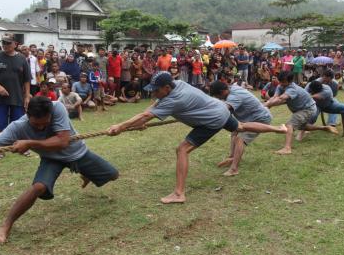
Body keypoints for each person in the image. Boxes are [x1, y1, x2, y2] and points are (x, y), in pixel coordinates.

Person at [0, 96, 119, 243]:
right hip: (51, 159)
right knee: (38, 187)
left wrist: (30, 142)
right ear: (28, 115)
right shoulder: (19, 127)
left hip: (77, 152)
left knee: (113, 175)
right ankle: (7, 225)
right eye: (36, 125)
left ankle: (83, 172)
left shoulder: (57, 107)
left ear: (50, 114)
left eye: (44, 124)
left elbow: (63, 141)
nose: (40, 127)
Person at [108, 72, 287, 204]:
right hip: (220, 109)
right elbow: (151, 110)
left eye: (156, 90)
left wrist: (121, 126)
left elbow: (145, 115)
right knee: (240, 126)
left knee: (182, 149)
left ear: (167, 88)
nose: (154, 94)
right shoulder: (178, 83)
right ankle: (278, 128)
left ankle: (179, 194)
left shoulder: (173, 99)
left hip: (211, 120)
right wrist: (146, 116)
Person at [264, 71, 338, 155]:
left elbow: (281, 99)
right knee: (303, 126)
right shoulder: (280, 85)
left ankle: (287, 148)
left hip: (308, 108)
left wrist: (265, 106)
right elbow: (275, 97)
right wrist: (266, 105)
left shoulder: (292, 89)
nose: (281, 83)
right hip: (301, 109)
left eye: (283, 81)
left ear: (290, 81)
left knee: (290, 125)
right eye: (280, 81)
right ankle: (324, 128)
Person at [210, 81, 273, 177]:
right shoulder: (232, 88)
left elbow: (224, 111)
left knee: (240, 138)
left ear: (223, 91)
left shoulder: (233, 97)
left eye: (217, 96)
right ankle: (232, 157)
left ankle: (234, 169)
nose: (217, 98)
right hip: (252, 118)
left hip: (260, 118)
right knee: (234, 131)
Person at [0, 33, 31, 160]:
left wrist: (27, 96)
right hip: (0, 98)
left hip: (17, 97)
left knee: (19, 123)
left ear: (15, 44)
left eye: (8, 43)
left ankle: (22, 147)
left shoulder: (22, 58)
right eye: (3, 43)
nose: (5, 45)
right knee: (0, 124)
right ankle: (0, 150)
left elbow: (27, 79)